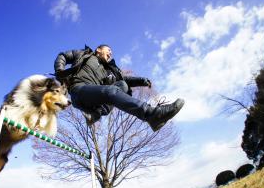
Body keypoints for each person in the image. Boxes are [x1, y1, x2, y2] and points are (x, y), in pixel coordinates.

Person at [54, 44, 184, 131]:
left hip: (95, 98)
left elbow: (124, 79)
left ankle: (97, 112)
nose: (110, 53)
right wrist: (60, 70)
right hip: (79, 90)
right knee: (110, 90)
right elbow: (63, 56)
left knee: (122, 85)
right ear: (98, 50)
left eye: (111, 52)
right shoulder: (84, 54)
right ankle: (151, 114)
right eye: (108, 50)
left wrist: (142, 81)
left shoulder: (107, 70)